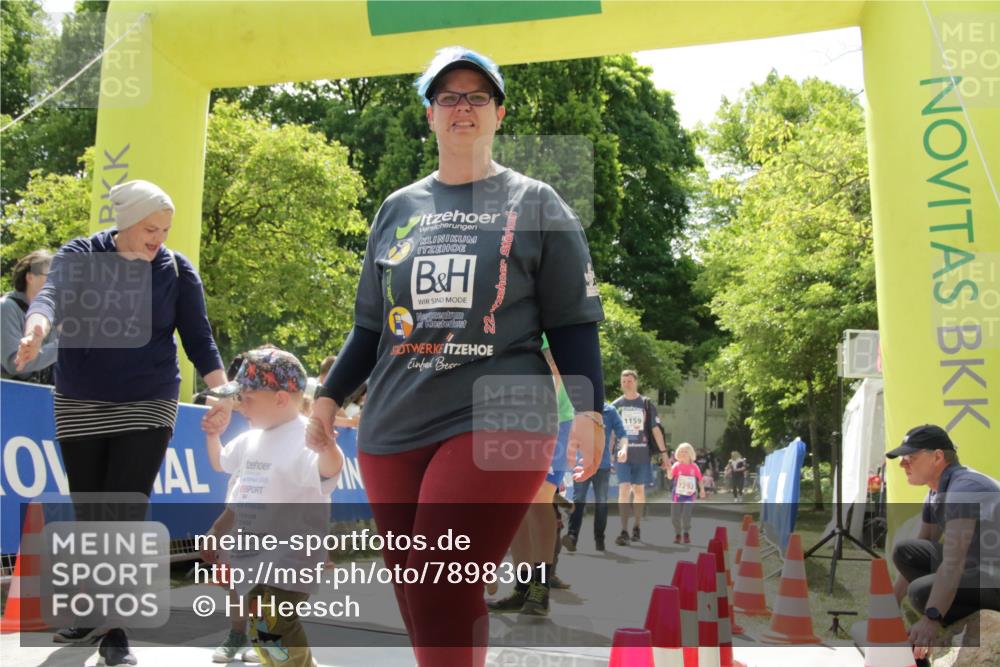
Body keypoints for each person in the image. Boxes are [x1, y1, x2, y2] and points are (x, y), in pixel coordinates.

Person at [305, 46, 605, 667]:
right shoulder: (398, 208)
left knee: (443, 577)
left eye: (477, 97)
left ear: (498, 114)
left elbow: (573, 321)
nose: (462, 107)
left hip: (504, 409)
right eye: (448, 97)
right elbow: (369, 326)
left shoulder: (538, 202)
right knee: (417, 592)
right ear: (430, 116)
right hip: (394, 418)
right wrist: (330, 395)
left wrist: (590, 410)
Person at [14, 179, 233, 666]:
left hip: (148, 398)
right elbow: (50, 298)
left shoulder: (176, 270)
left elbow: (198, 338)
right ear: (124, 223)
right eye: (150, 229)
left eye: (165, 229)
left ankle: (116, 628)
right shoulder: (81, 255)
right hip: (81, 399)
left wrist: (219, 391)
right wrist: (35, 328)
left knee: (125, 509)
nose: (159, 238)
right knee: (93, 511)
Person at [204, 347, 343, 667]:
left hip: (290, 556)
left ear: (280, 399)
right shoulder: (251, 439)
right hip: (253, 555)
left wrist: (328, 448)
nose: (239, 406)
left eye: (247, 398)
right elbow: (223, 466)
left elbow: (329, 470)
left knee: (277, 624)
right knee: (261, 626)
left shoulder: (301, 437)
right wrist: (214, 436)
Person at [887, 424, 1000, 664]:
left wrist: (932, 617)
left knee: (922, 593)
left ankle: (941, 638)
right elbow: (923, 545)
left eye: (910, 457)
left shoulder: (966, 487)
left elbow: (953, 561)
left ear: (937, 457)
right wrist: (889, 604)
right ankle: (943, 636)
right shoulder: (937, 490)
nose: (902, 464)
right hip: (983, 572)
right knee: (906, 552)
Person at [487, 338, 576, 617]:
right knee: (517, 506)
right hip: (513, 417)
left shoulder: (543, 313)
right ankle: (522, 587)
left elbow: (556, 368)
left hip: (552, 417)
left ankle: (540, 587)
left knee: (539, 499)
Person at [612, 369, 669, 546]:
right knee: (623, 489)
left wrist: (664, 454)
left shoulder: (645, 403)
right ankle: (623, 530)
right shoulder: (615, 405)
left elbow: (655, 430)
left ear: (636, 382)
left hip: (642, 454)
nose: (627, 383)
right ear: (620, 383)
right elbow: (613, 433)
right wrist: (609, 454)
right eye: (624, 381)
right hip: (623, 455)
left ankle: (636, 525)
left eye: (630, 380)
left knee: (638, 490)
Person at [565, 401, 628, 552]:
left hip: (603, 464)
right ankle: (572, 537)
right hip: (582, 464)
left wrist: (624, 448)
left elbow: (622, 433)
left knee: (601, 503)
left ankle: (599, 539)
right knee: (578, 499)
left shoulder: (610, 411)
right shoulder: (577, 410)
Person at [2, 250, 57, 383]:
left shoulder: (53, 311)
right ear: (30, 277)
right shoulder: (6, 307)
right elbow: (15, 365)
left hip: (45, 396)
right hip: (12, 398)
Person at [669, 442, 706, 544]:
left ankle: (686, 533)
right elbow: (670, 476)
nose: (683, 453)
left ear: (690, 453)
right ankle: (677, 534)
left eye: (685, 451)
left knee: (686, 515)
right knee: (674, 516)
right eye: (681, 451)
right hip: (677, 494)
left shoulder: (694, 466)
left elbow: (700, 479)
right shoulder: (676, 465)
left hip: (690, 495)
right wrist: (668, 469)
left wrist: (702, 490)